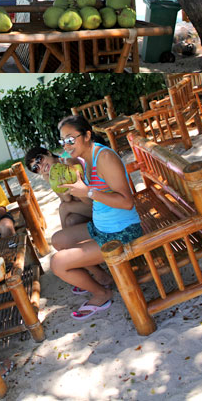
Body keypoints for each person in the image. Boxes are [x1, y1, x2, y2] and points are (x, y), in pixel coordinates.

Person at [50, 115, 142, 321]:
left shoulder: (104, 158)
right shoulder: (85, 158)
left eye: (71, 139)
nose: (67, 145)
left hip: (122, 232)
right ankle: (102, 277)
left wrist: (89, 192)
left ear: (87, 135)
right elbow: (69, 194)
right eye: (63, 141)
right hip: (102, 227)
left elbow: (127, 202)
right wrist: (66, 165)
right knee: (57, 240)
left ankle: (102, 294)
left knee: (57, 264)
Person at [25, 146, 92, 230]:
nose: (41, 166)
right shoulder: (52, 174)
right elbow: (67, 198)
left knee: (64, 208)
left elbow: (83, 198)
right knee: (71, 221)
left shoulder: (68, 161)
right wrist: (49, 179)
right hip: (86, 206)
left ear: (48, 153)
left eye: (39, 159)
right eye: (36, 168)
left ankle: (65, 239)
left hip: (95, 203)